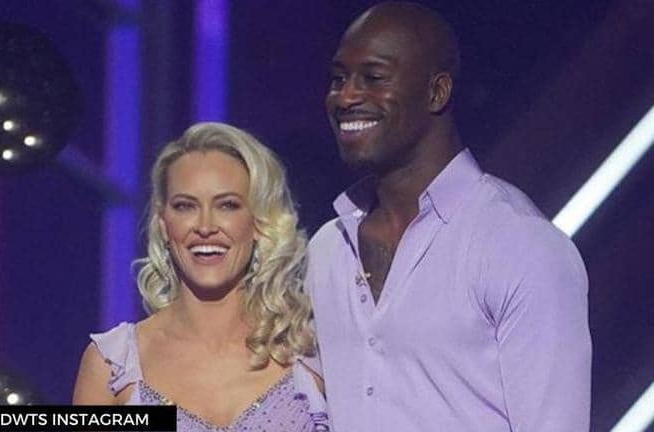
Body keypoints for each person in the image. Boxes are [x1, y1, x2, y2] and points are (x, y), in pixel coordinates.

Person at [305, 2, 591, 431]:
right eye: (338, 79)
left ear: (437, 93)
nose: (346, 97)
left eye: (374, 78)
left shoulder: (520, 244)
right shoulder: (328, 249)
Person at [73, 123, 328, 431]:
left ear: (259, 221)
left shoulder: (312, 350)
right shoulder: (111, 365)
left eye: (227, 205)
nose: (205, 226)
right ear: (163, 223)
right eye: (185, 206)